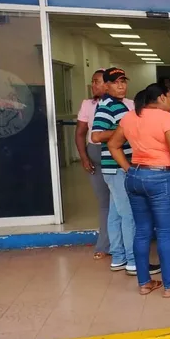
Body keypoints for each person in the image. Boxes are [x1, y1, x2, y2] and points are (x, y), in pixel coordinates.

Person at [108, 84, 170, 297]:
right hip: (161, 177)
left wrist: (128, 169)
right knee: (164, 233)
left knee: (142, 231)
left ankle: (145, 283)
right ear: (161, 97)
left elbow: (113, 145)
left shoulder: (130, 117)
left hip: (135, 175)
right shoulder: (166, 118)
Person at [91, 67, 159, 277]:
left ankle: (119, 257)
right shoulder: (107, 106)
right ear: (107, 85)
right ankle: (133, 261)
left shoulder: (120, 105)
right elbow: (96, 136)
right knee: (129, 214)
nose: (121, 85)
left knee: (115, 214)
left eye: (123, 81)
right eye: (116, 82)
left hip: (117, 168)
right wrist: (124, 131)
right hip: (117, 167)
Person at [74, 69, 114, 260]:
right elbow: (81, 132)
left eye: (97, 81)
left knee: (121, 203)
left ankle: (121, 244)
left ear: (108, 84)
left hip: (116, 155)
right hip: (96, 153)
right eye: (93, 82)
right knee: (104, 202)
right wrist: (84, 157)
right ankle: (104, 245)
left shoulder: (127, 104)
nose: (94, 85)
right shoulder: (87, 105)